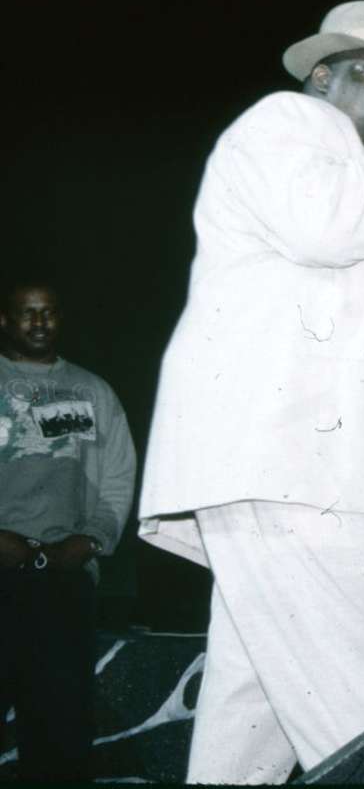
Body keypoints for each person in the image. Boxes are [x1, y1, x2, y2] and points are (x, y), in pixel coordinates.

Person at [138, 0, 364, 783]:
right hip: (305, 478)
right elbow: (324, 225)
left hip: (305, 480)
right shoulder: (288, 123)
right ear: (322, 77)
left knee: (243, 741)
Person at [0, 280, 137, 782]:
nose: (39, 323)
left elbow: (118, 475)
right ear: (4, 320)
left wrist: (91, 540)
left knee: (59, 731)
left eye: (50, 313)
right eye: (27, 313)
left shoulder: (91, 390)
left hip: (62, 579)